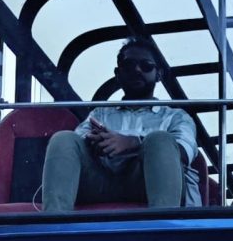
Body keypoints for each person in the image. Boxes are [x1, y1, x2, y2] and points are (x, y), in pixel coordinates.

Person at [42, 36, 197, 211]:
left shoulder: (176, 117)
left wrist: (132, 143)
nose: (137, 70)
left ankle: (163, 228)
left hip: (149, 184)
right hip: (100, 182)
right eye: (129, 65)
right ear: (118, 73)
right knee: (63, 139)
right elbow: (75, 148)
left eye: (146, 65)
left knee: (161, 140)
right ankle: (55, 225)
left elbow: (184, 151)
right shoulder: (100, 113)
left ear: (158, 74)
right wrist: (94, 142)